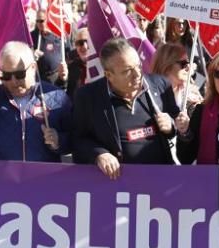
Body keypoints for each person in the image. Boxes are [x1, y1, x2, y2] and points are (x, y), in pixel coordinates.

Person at [72, 38, 180, 178]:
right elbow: (77, 140)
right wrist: (99, 153)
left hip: (160, 179)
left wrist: (171, 126)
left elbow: (179, 128)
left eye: (138, 66)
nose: (137, 75)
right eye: (128, 71)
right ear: (109, 75)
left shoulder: (160, 85)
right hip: (118, 186)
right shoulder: (88, 97)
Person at [0, 42, 72, 162]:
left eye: (19, 74)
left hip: (42, 177)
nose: (13, 82)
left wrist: (58, 141)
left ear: (33, 68)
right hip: (1, 177)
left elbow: (76, 140)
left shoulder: (56, 95)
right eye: (7, 76)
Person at [151, 43, 202, 114]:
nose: (188, 67)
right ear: (167, 66)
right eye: (183, 63)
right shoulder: (152, 96)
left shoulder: (193, 94)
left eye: (188, 62)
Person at [30, 8, 66, 85]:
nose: (39, 23)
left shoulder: (56, 35)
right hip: (39, 77)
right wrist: (32, 54)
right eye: (37, 21)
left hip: (55, 76)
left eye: (41, 21)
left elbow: (65, 52)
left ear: (47, 20)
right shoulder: (32, 36)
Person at [66, 27, 93, 100]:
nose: (84, 46)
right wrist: (61, 80)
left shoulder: (102, 65)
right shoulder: (71, 68)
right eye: (80, 43)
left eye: (88, 42)